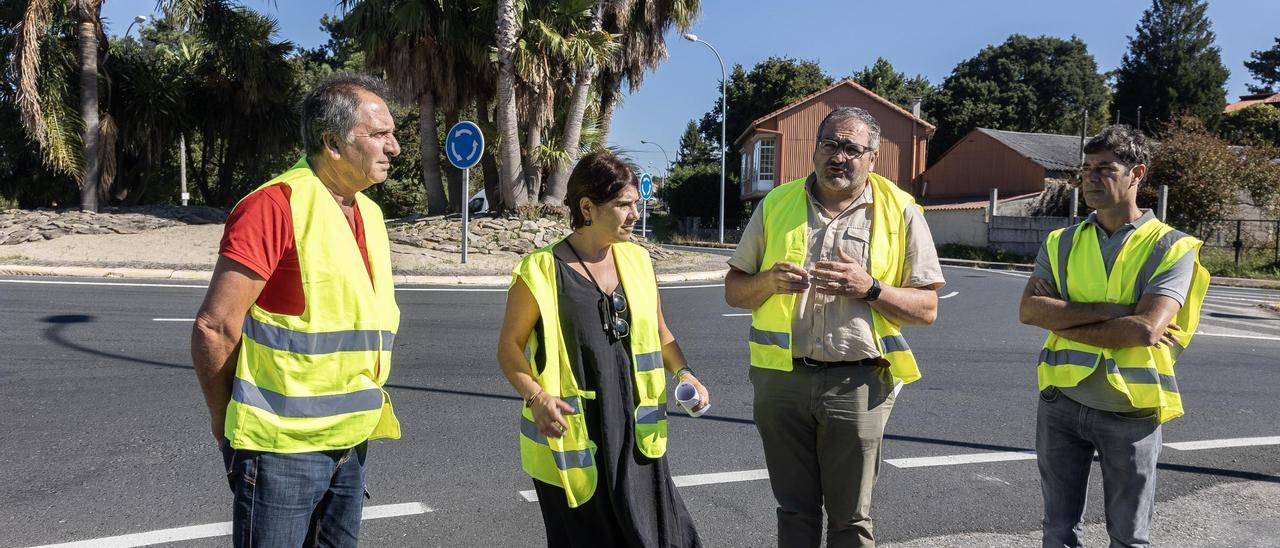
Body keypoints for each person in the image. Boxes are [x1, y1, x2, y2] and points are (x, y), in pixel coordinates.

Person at [191, 73, 403, 547]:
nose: (394, 147)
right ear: (332, 142)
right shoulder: (273, 206)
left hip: (350, 441)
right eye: (379, 135)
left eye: (392, 133)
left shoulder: (367, 212)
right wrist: (226, 426)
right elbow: (215, 326)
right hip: (280, 450)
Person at [724, 106, 945, 547]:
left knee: (850, 520)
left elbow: (927, 308)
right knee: (794, 510)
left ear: (872, 158)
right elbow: (734, 290)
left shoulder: (901, 210)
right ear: (815, 149)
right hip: (781, 379)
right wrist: (768, 281)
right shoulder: (776, 203)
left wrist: (871, 288)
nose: (838, 156)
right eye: (830, 144)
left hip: (858, 383)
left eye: (851, 148)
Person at [497, 151, 708, 547]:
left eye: (636, 204)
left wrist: (684, 373)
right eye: (623, 205)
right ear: (587, 207)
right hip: (575, 438)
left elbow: (660, 331)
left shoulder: (639, 261)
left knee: (658, 536)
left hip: (636, 436)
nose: (634, 214)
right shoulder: (540, 270)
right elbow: (509, 348)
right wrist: (536, 396)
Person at [1019, 125, 1209, 548]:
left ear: (1137, 174)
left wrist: (1063, 319)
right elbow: (1030, 311)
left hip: (1130, 409)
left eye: (1105, 168)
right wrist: (1116, 313)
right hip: (1060, 402)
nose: (1090, 177)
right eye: (1086, 168)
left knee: (1128, 537)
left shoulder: (1173, 247)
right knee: (1057, 532)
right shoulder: (1061, 241)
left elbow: (1144, 331)